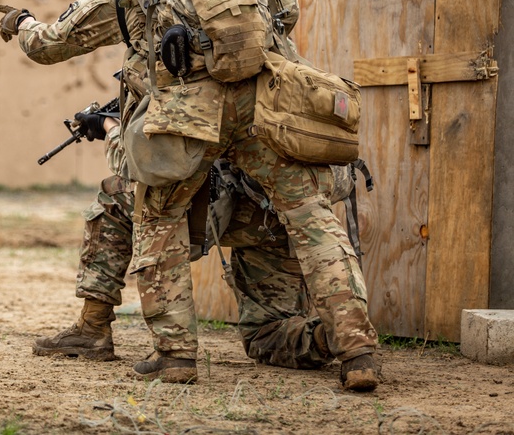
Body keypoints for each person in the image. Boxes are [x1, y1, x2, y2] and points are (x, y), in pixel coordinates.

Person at [0, 0, 379, 391]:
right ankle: (358, 351)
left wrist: (21, 23)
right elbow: (286, 9)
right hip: (269, 112)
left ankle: (175, 356)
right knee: (315, 220)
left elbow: (49, 45)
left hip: (194, 122)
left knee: (156, 218)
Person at [35, 109, 361, 374]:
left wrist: (109, 125)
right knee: (268, 333)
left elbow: (142, 164)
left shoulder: (202, 77)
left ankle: (92, 328)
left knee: (114, 194)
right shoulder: (280, 80)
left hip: (219, 207)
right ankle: (332, 335)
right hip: (280, 215)